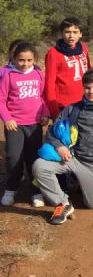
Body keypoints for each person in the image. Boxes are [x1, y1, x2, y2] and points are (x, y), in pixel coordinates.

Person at [32, 69, 93, 225]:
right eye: (88, 87)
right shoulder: (72, 109)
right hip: (73, 158)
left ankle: (78, 183)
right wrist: (59, 147)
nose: (91, 92)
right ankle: (63, 203)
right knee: (39, 166)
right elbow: (52, 132)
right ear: (83, 87)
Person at [0, 42, 50, 207]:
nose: (25, 64)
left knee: (34, 158)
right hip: (15, 124)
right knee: (14, 157)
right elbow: (1, 100)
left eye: (29, 60)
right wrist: (7, 118)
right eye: (21, 60)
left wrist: (45, 113)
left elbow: (42, 96)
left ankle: (36, 191)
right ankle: (10, 189)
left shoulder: (38, 74)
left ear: (34, 59)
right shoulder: (8, 75)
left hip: (34, 124)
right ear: (14, 59)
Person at [44, 17, 91, 118]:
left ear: (81, 34)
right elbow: (49, 83)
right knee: (67, 133)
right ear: (61, 33)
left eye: (75, 32)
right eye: (67, 32)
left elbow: (89, 74)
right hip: (64, 105)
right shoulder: (53, 53)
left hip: (84, 100)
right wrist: (54, 110)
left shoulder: (84, 48)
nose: (71, 36)